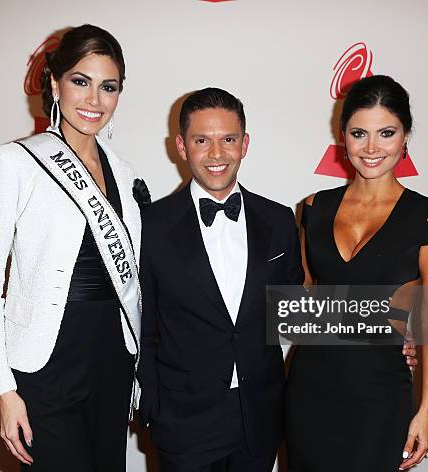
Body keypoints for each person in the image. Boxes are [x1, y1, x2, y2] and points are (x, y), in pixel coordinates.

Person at [0, 24, 148, 471]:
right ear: (54, 83)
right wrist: (3, 390)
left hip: (114, 356)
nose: (94, 100)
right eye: (80, 81)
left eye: (108, 87)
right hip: (47, 362)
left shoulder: (125, 174)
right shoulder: (15, 162)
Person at [285, 75, 428, 471]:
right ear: (342, 135)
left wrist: (425, 411)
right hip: (309, 390)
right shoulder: (312, 208)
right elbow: (306, 302)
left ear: (405, 136)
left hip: (380, 398)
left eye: (387, 133)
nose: (372, 148)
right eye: (359, 133)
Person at [137, 87, 304, 471]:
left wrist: (391, 327)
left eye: (228, 140)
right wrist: (153, 405)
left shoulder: (279, 220)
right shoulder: (151, 226)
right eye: (202, 140)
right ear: (181, 146)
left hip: (258, 417)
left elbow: (296, 313)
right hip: (184, 421)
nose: (216, 154)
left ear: (244, 144)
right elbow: (141, 325)